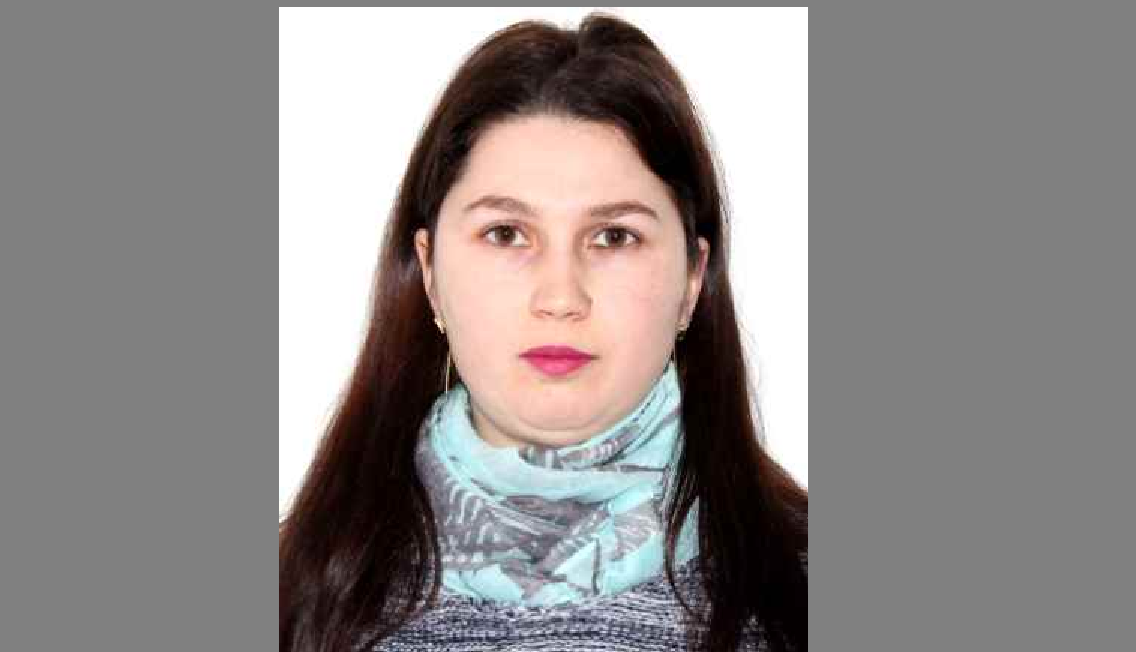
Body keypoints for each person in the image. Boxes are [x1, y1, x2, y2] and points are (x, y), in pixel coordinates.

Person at [280, 12, 807, 652]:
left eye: (614, 237)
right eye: (506, 234)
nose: (560, 297)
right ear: (429, 272)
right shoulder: (292, 596)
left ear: (692, 279)